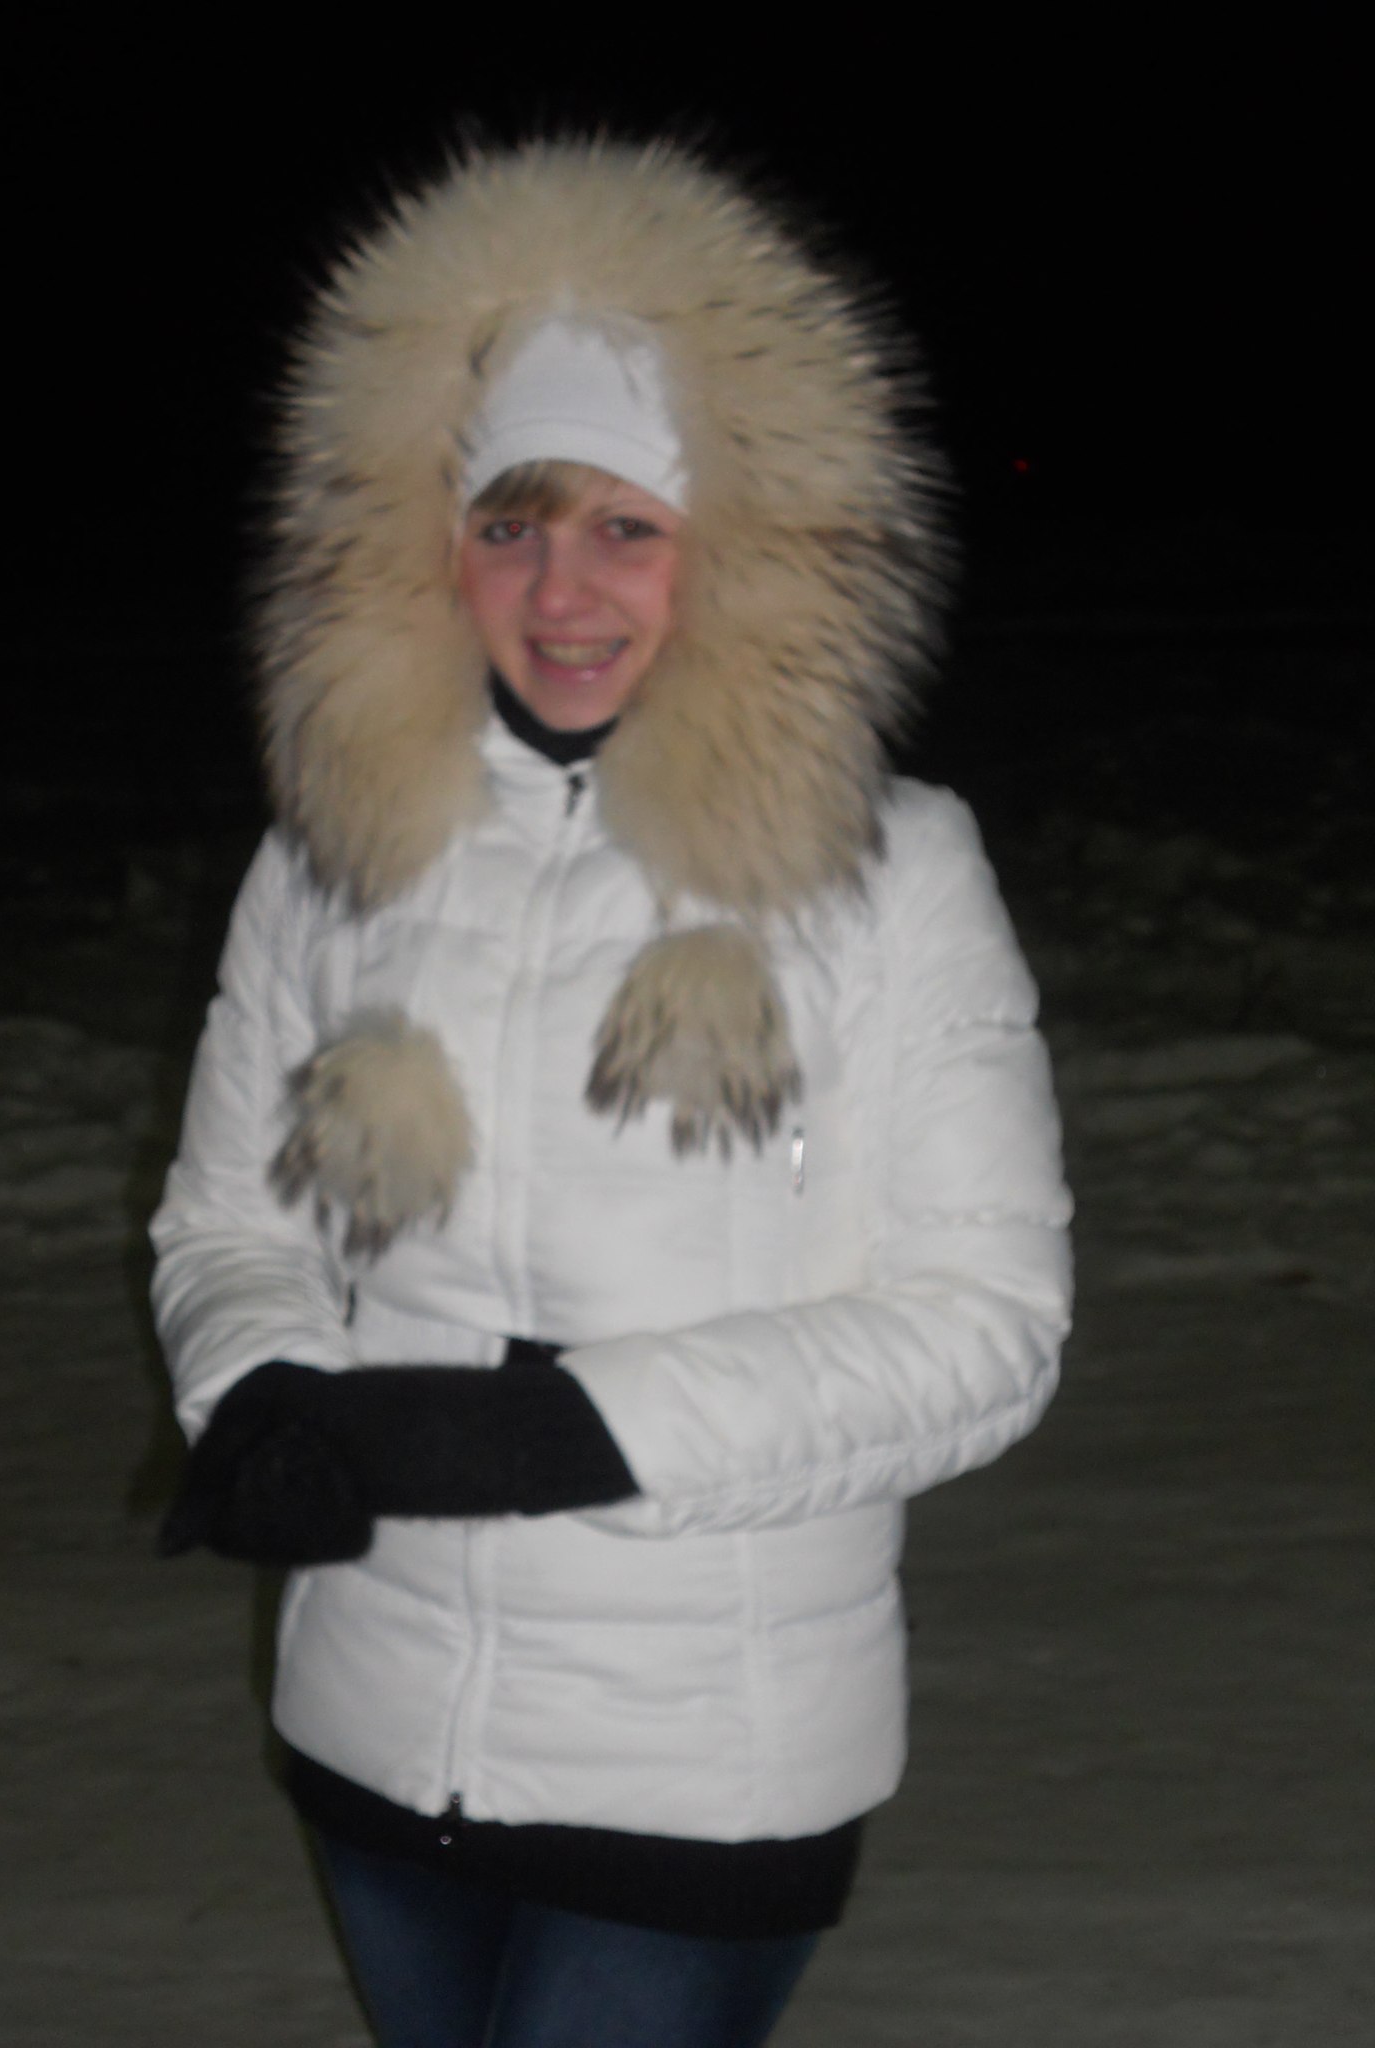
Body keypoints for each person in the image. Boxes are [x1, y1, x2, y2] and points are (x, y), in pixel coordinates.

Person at [152, 137, 1073, 2048]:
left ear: (739, 547)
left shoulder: (893, 873)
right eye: (509, 524)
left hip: (705, 1769)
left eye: (628, 528)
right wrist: (258, 1392)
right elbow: (226, 1220)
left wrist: (570, 1434)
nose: (559, 591)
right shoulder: (333, 857)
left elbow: (986, 1328)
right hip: (374, 1728)